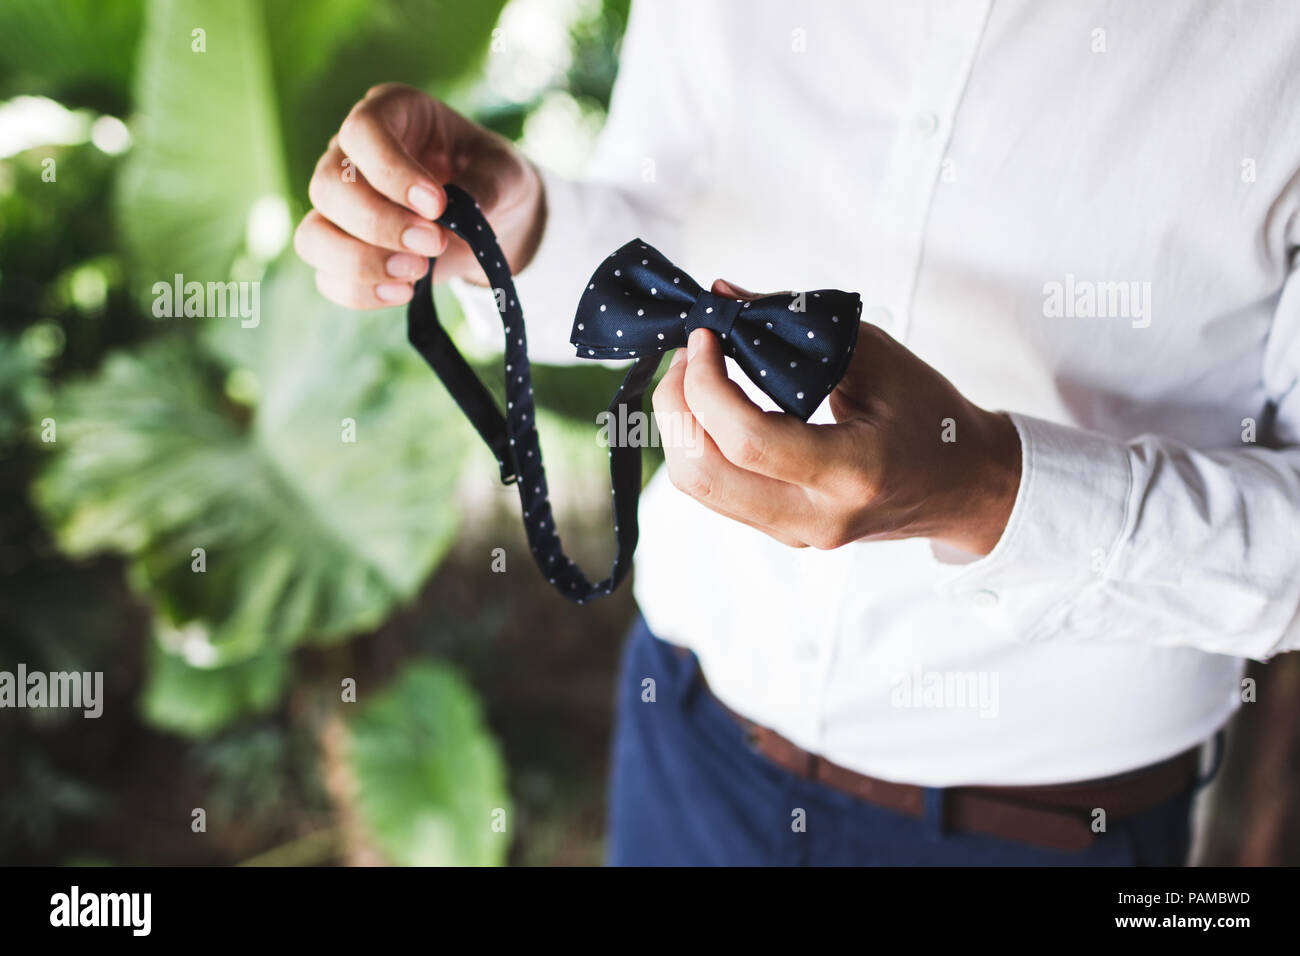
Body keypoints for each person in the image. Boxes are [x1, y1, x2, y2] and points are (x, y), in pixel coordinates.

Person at [294, 0, 1300, 865]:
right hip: (686, 736)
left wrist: (990, 489)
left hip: (1044, 823)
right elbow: (667, 239)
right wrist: (510, 224)